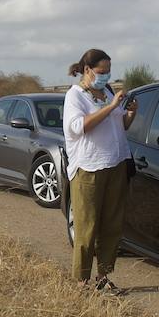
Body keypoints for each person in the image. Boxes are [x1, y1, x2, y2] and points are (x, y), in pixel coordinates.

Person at [63, 49, 138, 295]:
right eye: (101, 72)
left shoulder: (105, 92)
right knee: (87, 226)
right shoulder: (75, 96)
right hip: (89, 168)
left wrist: (129, 114)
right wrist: (110, 107)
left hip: (115, 163)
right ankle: (81, 281)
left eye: (108, 72)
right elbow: (78, 127)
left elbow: (119, 126)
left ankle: (103, 276)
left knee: (111, 225)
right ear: (87, 70)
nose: (106, 77)